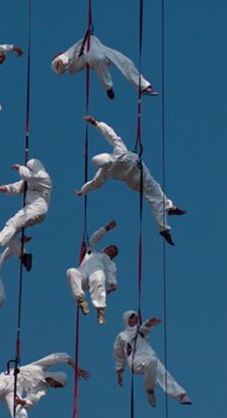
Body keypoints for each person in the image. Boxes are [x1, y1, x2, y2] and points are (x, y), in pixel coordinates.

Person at [76, 116, 186, 245]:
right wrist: (95, 122)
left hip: (133, 183)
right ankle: (164, 228)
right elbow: (110, 134)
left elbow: (95, 183)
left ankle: (169, 207)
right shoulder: (119, 151)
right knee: (155, 199)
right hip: (141, 175)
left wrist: (82, 191)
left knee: (156, 194)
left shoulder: (105, 171)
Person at [113, 310, 191, 406]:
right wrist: (119, 371)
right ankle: (149, 389)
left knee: (164, 374)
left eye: (136, 317)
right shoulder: (122, 336)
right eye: (133, 317)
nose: (135, 319)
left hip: (150, 358)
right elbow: (118, 354)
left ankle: (181, 395)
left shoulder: (139, 331)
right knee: (152, 361)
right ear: (127, 319)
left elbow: (143, 329)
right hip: (136, 362)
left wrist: (148, 324)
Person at [0, 159, 51, 258]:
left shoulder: (43, 177)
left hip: (37, 208)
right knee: (10, 235)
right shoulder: (29, 181)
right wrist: (1, 189)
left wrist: (20, 168)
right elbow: (17, 187)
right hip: (34, 211)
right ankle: (24, 256)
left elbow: (28, 176)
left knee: (12, 223)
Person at [51, 33, 157, 99]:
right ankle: (108, 87)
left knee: (125, 61)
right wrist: (59, 62)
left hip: (96, 45)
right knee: (98, 59)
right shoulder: (65, 55)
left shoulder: (70, 54)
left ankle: (144, 86)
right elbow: (58, 64)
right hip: (89, 50)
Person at [66, 221, 118, 325]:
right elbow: (95, 238)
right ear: (105, 248)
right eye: (110, 249)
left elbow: (111, 274)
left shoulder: (110, 264)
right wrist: (106, 228)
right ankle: (81, 300)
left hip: (96, 277)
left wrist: (112, 284)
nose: (111, 252)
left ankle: (100, 310)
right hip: (84, 276)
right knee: (71, 272)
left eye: (113, 252)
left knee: (98, 275)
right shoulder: (91, 251)